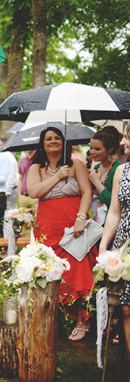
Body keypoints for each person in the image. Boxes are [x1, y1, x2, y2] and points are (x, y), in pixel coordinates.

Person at [26, 126, 95, 341]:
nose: (53, 141)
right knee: (51, 271)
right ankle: (58, 316)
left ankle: (82, 319)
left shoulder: (75, 164)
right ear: (42, 143)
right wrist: (58, 177)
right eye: (48, 138)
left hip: (73, 226)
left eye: (57, 138)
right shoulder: (36, 167)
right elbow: (34, 192)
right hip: (47, 228)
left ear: (63, 142)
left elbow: (87, 192)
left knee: (78, 269)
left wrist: (81, 218)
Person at [98, 122, 130, 358]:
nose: (122, 142)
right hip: (125, 245)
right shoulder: (123, 171)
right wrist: (104, 246)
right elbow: (115, 212)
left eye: (127, 136)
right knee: (126, 308)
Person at [88, 126, 122, 225]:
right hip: (96, 221)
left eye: (97, 149)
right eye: (91, 148)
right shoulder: (97, 167)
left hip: (111, 223)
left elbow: (114, 203)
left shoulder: (117, 169)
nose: (92, 152)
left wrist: (96, 182)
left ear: (110, 149)